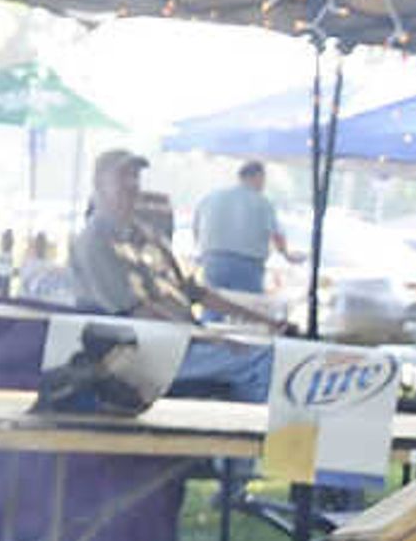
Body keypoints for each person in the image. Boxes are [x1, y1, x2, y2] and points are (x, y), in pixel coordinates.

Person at [68, 148, 271, 397]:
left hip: (180, 340)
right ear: (100, 183)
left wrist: (267, 322)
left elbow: (195, 291)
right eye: (123, 177)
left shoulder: (148, 235)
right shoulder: (96, 240)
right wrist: (210, 338)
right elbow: (136, 311)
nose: (132, 185)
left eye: (135, 177)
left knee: (271, 351)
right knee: (265, 362)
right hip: (142, 352)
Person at [193, 159, 291, 296]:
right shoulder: (263, 202)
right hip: (247, 265)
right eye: (263, 179)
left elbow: (196, 227)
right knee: (246, 309)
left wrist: (202, 250)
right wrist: (286, 254)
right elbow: (277, 236)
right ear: (257, 177)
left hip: (213, 260)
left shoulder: (211, 197)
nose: (263, 184)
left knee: (214, 304)